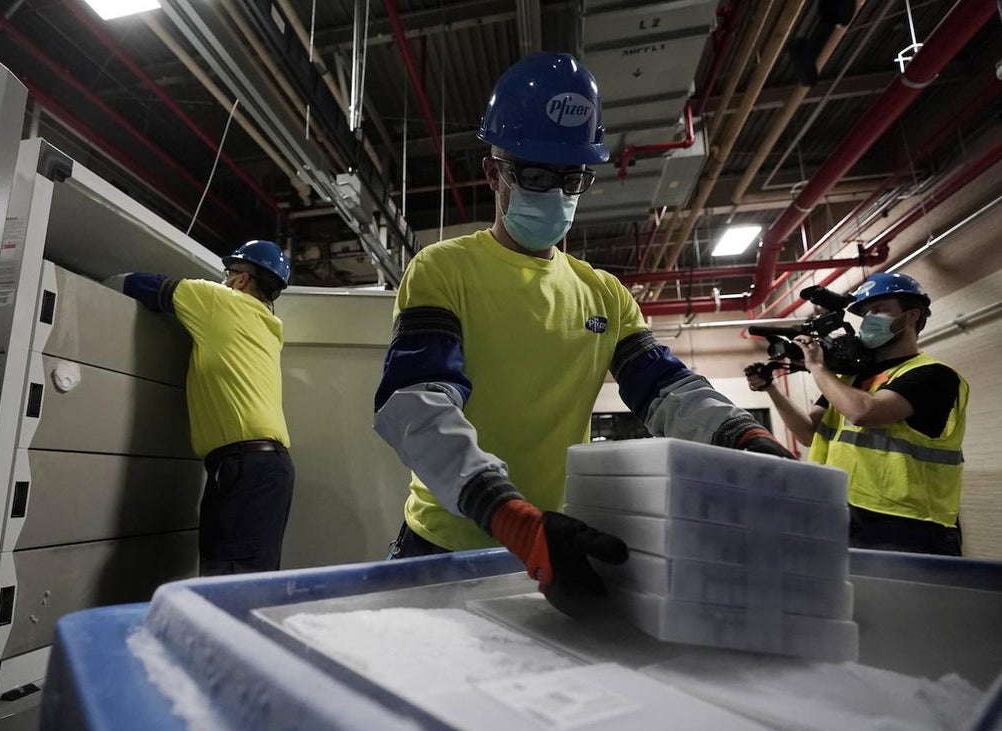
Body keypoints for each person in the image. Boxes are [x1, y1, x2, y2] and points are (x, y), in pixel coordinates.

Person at [372, 52, 793, 618]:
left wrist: (746, 438)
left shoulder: (604, 294)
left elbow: (667, 389)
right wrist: (505, 512)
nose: (556, 194)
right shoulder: (443, 270)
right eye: (536, 175)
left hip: (549, 545)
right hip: (445, 542)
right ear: (493, 171)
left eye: (572, 179)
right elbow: (417, 405)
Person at [746, 272, 968, 555]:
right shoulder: (848, 381)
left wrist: (818, 368)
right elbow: (807, 433)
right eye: (864, 313)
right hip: (847, 514)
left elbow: (863, 412)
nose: (869, 319)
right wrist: (772, 390)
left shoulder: (932, 375)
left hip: (910, 523)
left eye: (879, 309)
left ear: (911, 316)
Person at [108, 240, 295, 575]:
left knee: (227, 577)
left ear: (241, 280)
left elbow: (137, 283)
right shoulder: (268, 329)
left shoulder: (219, 300)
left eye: (230, 274)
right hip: (269, 467)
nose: (225, 280)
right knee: (253, 576)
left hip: (243, 465)